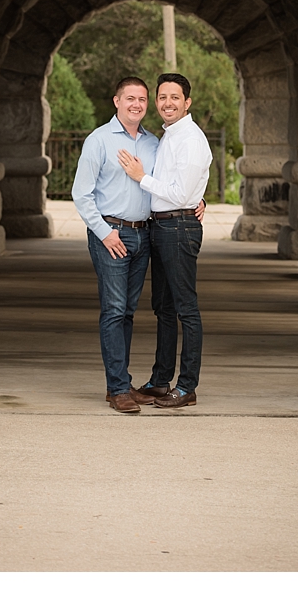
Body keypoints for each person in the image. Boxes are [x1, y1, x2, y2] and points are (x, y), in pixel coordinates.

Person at [115, 71, 212, 411]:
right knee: (164, 309)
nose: (167, 103)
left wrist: (142, 178)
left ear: (187, 102)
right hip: (163, 227)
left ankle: (187, 386)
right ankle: (160, 380)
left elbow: (181, 193)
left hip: (179, 228)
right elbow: (187, 189)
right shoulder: (169, 136)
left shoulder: (190, 138)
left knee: (186, 309)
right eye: (162, 97)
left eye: (175, 97)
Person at [69, 74, 158, 412]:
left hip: (143, 234)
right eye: (130, 98)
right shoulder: (99, 140)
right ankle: (117, 388)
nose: (137, 104)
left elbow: (167, 182)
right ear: (117, 101)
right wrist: (104, 232)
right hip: (111, 235)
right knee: (114, 310)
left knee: (128, 312)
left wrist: (199, 200)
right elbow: (82, 194)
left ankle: (121, 381)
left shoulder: (152, 143)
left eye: (142, 100)